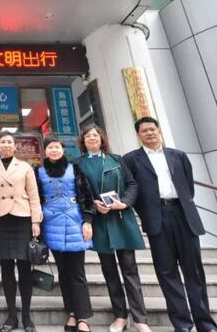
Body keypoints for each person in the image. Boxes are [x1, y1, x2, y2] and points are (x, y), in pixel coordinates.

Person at [123, 117, 217, 332]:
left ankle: (205, 324)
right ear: (138, 135)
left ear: (159, 130)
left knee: (194, 272)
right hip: (157, 219)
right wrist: (147, 213)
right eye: (145, 131)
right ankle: (182, 325)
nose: (150, 133)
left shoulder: (178, 156)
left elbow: (188, 187)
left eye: (152, 129)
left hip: (184, 216)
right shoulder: (131, 159)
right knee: (167, 273)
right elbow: (133, 190)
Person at [76, 125, 151, 332]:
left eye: (95, 135)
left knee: (130, 269)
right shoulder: (78, 164)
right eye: (88, 136)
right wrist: (92, 205)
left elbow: (132, 184)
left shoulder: (117, 159)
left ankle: (140, 319)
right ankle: (120, 315)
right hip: (100, 222)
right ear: (83, 141)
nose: (92, 138)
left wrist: (124, 203)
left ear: (102, 139)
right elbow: (78, 192)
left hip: (121, 218)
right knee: (109, 271)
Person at [0, 131, 42, 332]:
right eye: (3, 142)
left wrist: (36, 221)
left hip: (22, 219)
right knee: (6, 268)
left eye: (9, 142)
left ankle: (26, 316)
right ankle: (11, 316)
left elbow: (34, 196)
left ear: (15, 146)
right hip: (0, 221)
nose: (6, 145)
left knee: (25, 268)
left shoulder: (25, 167)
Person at [35, 136, 94, 332]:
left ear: (62, 149)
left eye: (57, 147)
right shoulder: (38, 172)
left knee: (77, 272)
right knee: (63, 272)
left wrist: (88, 220)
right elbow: (35, 199)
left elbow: (86, 196)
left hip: (75, 223)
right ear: (45, 151)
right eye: (50, 147)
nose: (54, 150)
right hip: (51, 226)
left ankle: (83, 317)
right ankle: (72, 313)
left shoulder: (75, 169)